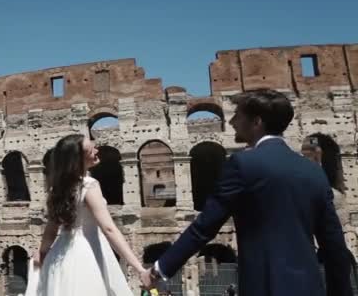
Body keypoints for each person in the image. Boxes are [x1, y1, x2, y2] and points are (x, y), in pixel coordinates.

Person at [141, 89, 353, 296]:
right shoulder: (313, 171)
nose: (231, 122)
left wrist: (160, 269)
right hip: (310, 286)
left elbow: (204, 227)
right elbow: (334, 245)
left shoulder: (242, 164)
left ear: (257, 122)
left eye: (238, 116)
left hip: (263, 286)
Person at [27, 134, 150, 295]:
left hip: (60, 254)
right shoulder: (89, 185)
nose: (97, 150)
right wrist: (139, 268)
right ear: (78, 159)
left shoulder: (56, 189)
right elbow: (109, 229)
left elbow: (51, 230)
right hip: (87, 253)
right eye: (91, 150)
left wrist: (42, 253)